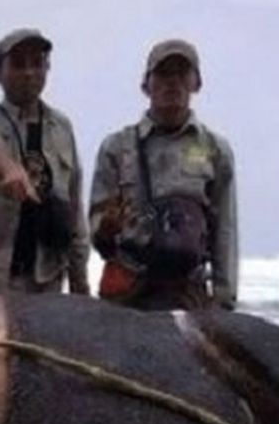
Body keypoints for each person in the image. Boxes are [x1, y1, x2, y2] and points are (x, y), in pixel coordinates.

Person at [89, 39, 237, 310]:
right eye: (163, 74)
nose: (173, 83)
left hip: (188, 294)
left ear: (196, 83)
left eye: (181, 73)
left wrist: (224, 300)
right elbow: (97, 233)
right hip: (129, 293)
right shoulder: (117, 147)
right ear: (146, 85)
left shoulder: (215, 150)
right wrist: (107, 226)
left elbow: (224, 229)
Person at [0, 29, 90, 296]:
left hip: (45, 280)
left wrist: (79, 279)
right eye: (18, 64)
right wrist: (8, 169)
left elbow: (74, 207)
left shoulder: (61, 127)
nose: (28, 73)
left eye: (37, 63)